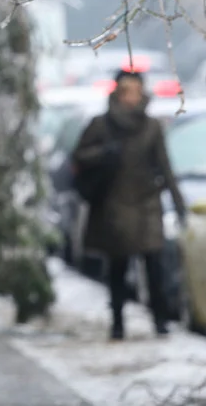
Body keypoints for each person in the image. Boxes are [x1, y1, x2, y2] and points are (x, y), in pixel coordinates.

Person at [72, 69, 186, 340]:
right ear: (118, 93)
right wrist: (103, 153)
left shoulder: (151, 126)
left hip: (147, 204)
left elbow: (165, 165)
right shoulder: (102, 124)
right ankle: (118, 321)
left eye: (136, 90)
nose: (132, 97)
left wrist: (178, 203)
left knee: (154, 266)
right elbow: (79, 156)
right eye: (127, 91)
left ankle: (159, 320)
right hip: (115, 206)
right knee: (118, 268)